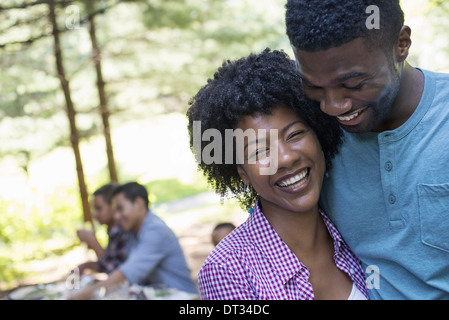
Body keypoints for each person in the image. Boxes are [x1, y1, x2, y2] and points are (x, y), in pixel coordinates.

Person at [286, 0, 449, 299]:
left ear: (401, 44)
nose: (333, 106)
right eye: (315, 88)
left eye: (355, 84)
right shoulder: (310, 136)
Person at [187, 49, 368, 300]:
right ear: (242, 173)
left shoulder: (353, 234)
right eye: (260, 150)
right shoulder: (228, 271)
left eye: (294, 135)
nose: (285, 158)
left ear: (318, 134)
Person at [70, 182, 198, 299]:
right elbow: (119, 270)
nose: (116, 216)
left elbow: (125, 274)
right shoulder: (132, 232)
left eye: (120, 209)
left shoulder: (155, 231)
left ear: (139, 203)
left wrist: (81, 295)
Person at [76, 183, 129, 275]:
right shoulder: (112, 230)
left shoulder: (124, 229)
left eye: (98, 208)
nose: (94, 214)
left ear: (113, 206)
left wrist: (93, 242)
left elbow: (116, 271)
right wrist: (86, 266)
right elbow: (109, 262)